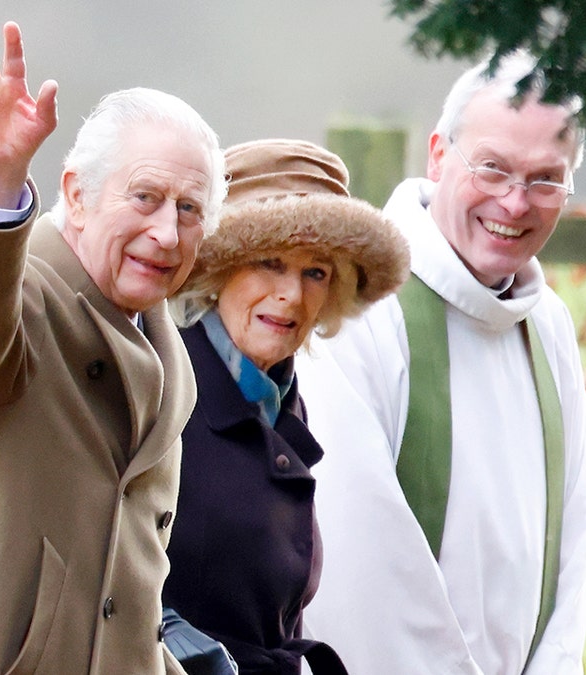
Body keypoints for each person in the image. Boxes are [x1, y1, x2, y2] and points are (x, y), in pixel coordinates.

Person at [0, 21, 227, 674]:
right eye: (145, 197)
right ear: (77, 195)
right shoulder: (17, 298)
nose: (167, 232)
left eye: (189, 210)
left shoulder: (164, 348)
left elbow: (124, 593)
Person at [296, 51, 586, 674]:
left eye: (546, 179)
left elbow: (574, 548)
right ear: (438, 154)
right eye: (492, 169)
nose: (515, 203)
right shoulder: (358, 310)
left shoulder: (550, 327)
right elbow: (356, 560)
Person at [162, 139, 410, 675]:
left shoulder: (279, 396)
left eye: (315, 272)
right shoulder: (161, 385)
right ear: (218, 268)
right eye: (268, 264)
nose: (292, 296)